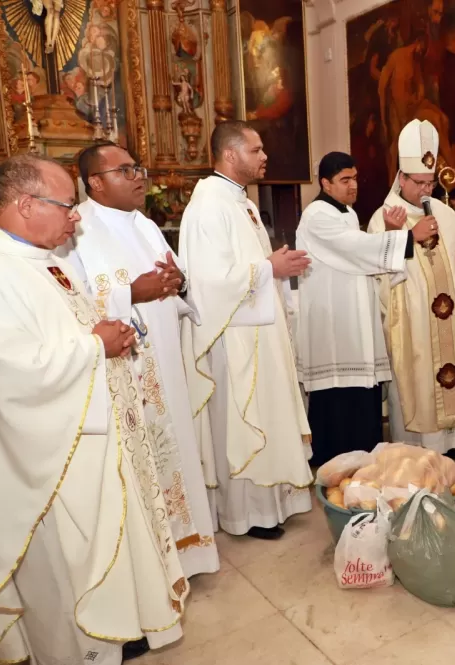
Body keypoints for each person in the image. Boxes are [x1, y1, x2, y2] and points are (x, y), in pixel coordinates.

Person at [0, 154, 187, 665]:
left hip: (88, 434)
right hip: (48, 459)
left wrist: (107, 335)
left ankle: (114, 635)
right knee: (64, 580)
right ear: (26, 205)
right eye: (66, 205)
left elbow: (71, 328)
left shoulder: (42, 259)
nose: (76, 216)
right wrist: (95, 346)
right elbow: (12, 372)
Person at [56, 142, 220, 578]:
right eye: (125, 171)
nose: (138, 177)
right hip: (124, 368)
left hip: (164, 356)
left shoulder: (145, 224)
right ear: (95, 182)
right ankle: (153, 565)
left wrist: (178, 282)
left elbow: (173, 281)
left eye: (138, 168)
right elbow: (72, 300)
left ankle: (188, 550)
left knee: (175, 447)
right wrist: (132, 292)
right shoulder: (75, 229)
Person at [179, 121, 314, 540]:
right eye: (255, 150)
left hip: (259, 331)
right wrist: (269, 268)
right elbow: (207, 282)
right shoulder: (208, 205)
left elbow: (246, 267)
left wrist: (272, 267)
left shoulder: (240, 201)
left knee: (269, 414)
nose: (264, 156)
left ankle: (275, 504)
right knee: (244, 421)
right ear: (230, 154)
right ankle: (249, 514)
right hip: (234, 337)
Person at [296, 152, 437, 465]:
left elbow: (361, 255)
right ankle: (335, 464)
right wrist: (408, 236)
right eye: (345, 180)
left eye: (355, 178)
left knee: (361, 396)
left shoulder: (345, 213)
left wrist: (391, 235)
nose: (353, 185)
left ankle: (364, 463)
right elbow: (354, 248)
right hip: (335, 324)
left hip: (354, 319)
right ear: (325, 183)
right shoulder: (317, 215)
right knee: (339, 398)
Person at [368, 119, 455, 457]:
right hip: (413, 325)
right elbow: (378, 277)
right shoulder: (383, 218)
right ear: (401, 178)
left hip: (448, 324)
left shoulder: (446, 215)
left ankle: (449, 442)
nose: (426, 190)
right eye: (419, 183)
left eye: (430, 182)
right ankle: (415, 448)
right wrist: (400, 238)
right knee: (419, 380)